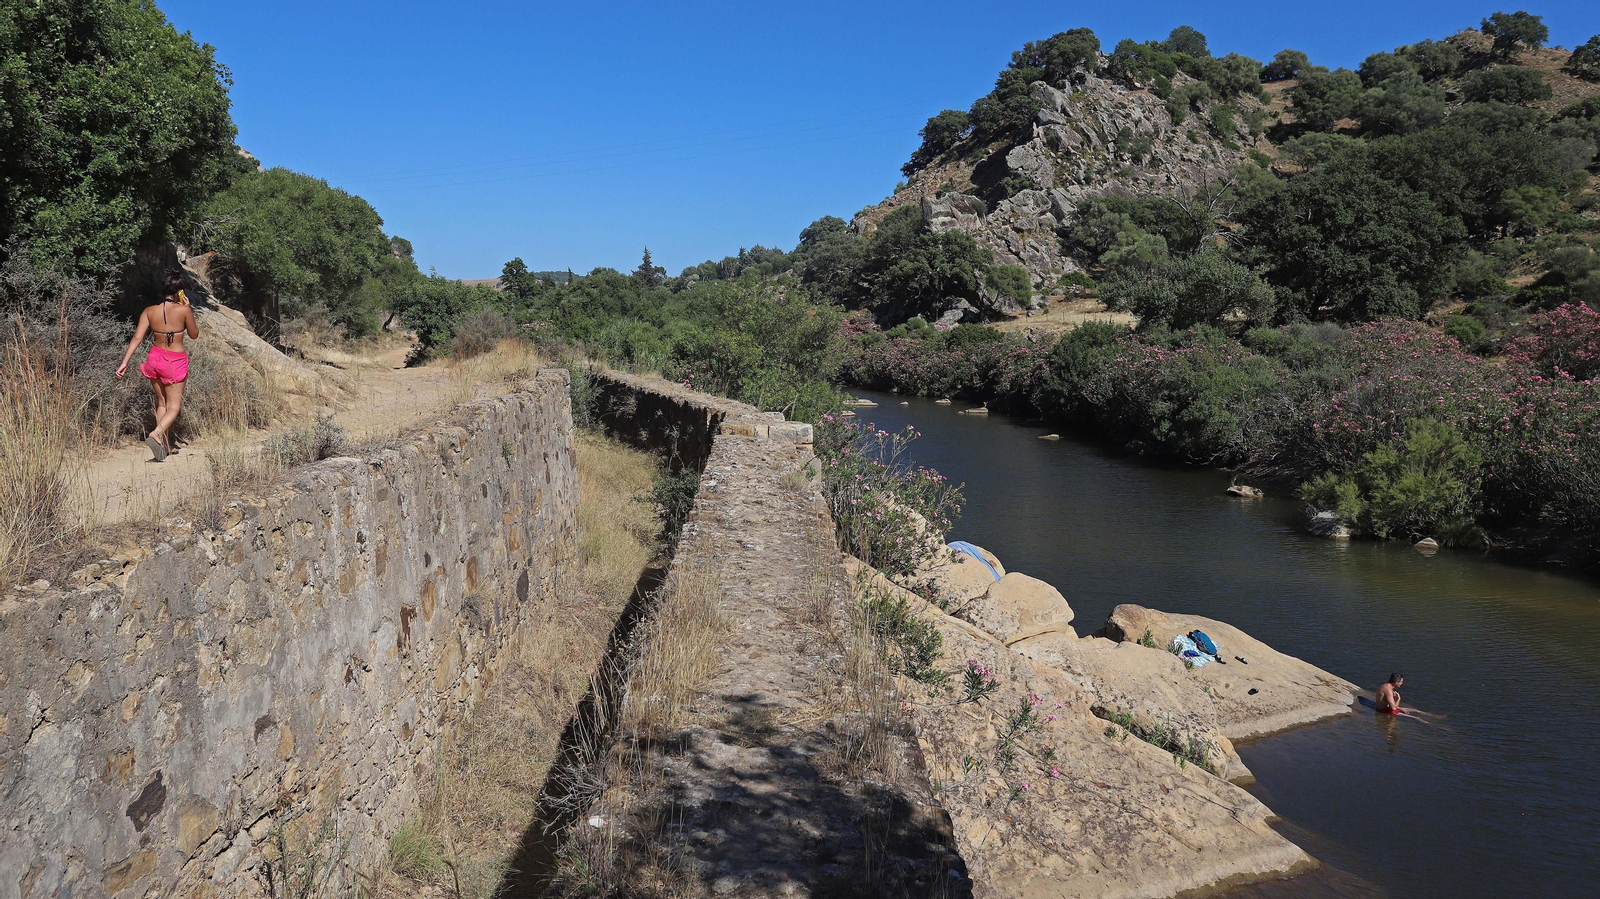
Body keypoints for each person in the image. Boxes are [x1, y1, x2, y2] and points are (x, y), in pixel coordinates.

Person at [116, 270, 198, 461]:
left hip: (154, 358)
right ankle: (156, 433)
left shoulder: (149, 311)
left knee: (162, 403)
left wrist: (124, 362)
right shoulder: (184, 310)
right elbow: (194, 334)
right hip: (174, 361)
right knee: (174, 406)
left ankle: (165, 445)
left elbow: (137, 338)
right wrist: (189, 308)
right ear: (179, 292)